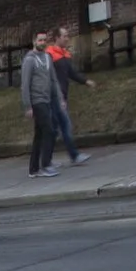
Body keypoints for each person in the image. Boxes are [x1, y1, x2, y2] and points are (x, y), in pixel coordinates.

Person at [19, 31, 62, 178]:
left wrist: (60, 98)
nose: (43, 42)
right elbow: (25, 84)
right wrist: (27, 106)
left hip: (47, 99)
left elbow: (54, 80)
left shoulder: (47, 58)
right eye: (40, 40)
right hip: (37, 101)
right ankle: (45, 164)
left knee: (39, 134)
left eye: (45, 40)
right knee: (49, 130)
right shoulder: (30, 60)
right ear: (34, 42)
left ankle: (33, 169)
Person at [48, 26, 92, 167]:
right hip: (54, 98)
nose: (67, 38)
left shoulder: (65, 55)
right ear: (57, 38)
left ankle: (45, 160)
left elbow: (71, 73)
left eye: (67, 36)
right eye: (64, 36)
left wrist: (85, 81)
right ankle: (73, 156)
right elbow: (47, 77)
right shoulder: (50, 55)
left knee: (54, 130)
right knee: (64, 126)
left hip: (62, 98)